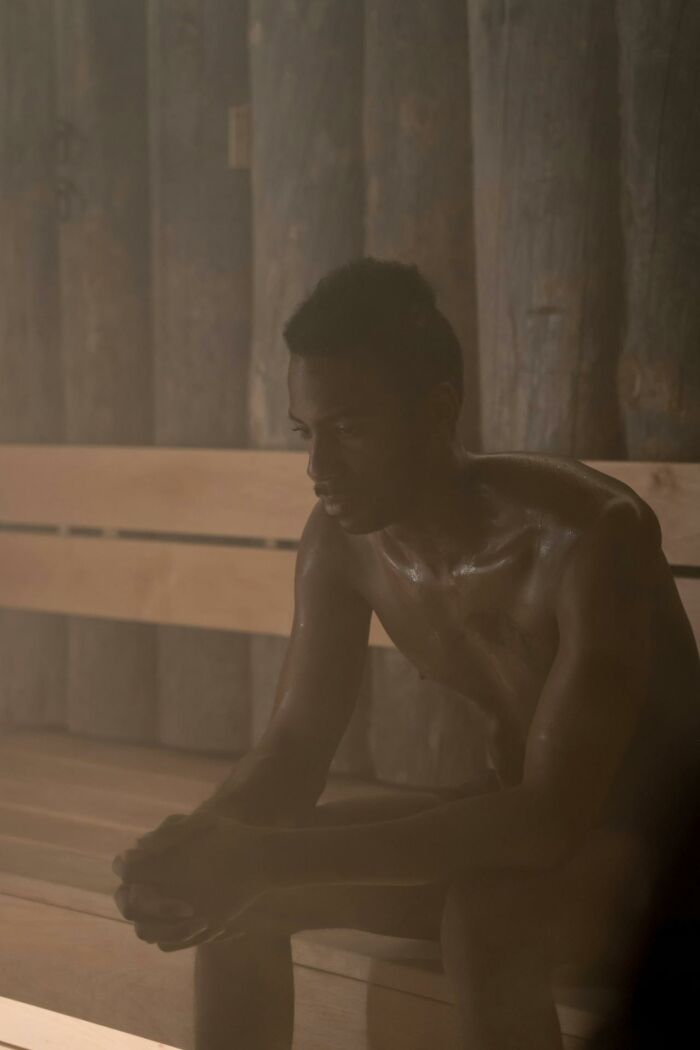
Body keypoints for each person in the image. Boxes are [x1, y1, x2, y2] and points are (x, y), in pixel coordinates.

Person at [112, 259, 700, 1050]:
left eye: (350, 429)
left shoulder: (589, 539)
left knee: (487, 919)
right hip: (518, 831)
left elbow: (549, 818)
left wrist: (265, 858)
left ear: (437, 411)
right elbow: (293, 749)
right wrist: (200, 848)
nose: (318, 469)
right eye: (306, 433)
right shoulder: (343, 544)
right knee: (247, 900)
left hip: (657, 853)